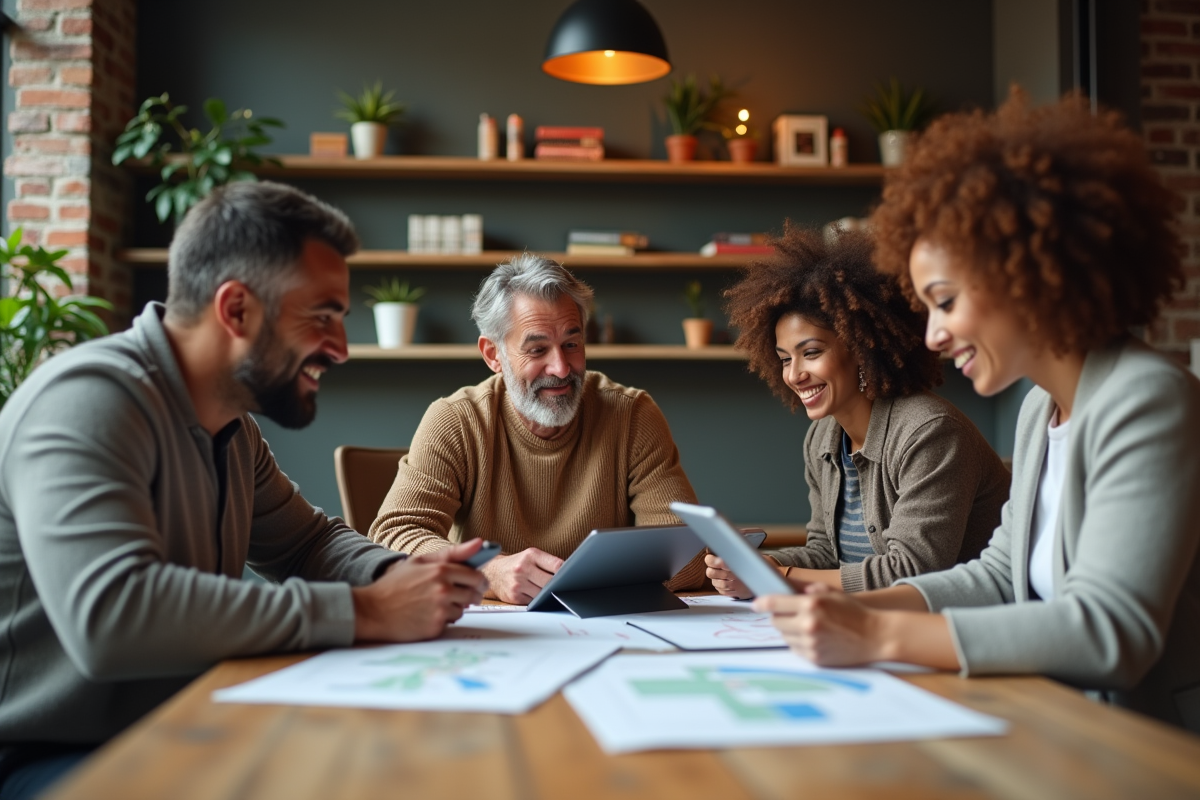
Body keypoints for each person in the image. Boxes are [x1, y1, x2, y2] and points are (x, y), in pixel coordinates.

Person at [0, 181, 489, 798]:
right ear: (236, 310)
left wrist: (402, 574)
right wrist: (368, 610)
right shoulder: (86, 401)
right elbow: (111, 614)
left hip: (185, 721)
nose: (339, 349)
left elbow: (307, 544)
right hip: (53, 757)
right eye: (323, 316)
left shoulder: (231, 426)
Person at [755, 91, 1200, 732]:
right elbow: (996, 575)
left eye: (945, 301)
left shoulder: (1146, 399)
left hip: (1148, 739)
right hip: (1047, 713)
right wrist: (856, 609)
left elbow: (1112, 632)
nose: (932, 334)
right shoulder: (1038, 411)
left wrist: (879, 634)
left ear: (1028, 274)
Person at [369, 253, 704, 603]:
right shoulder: (455, 420)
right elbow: (393, 535)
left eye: (571, 344)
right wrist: (489, 570)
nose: (560, 368)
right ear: (493, 355)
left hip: (607, 625)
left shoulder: (632, 415)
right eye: (537, 349)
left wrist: (582, 582)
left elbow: (685, 554)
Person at [708, 226, 1009, 596]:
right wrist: (755, 565)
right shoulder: (822, 438)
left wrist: (777, 577)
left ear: (860, 349)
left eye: (812, 353)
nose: (794, 374)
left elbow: (914, 570)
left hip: (955, 628)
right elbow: (825, 552)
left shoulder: (929, 432)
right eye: (785, 359)